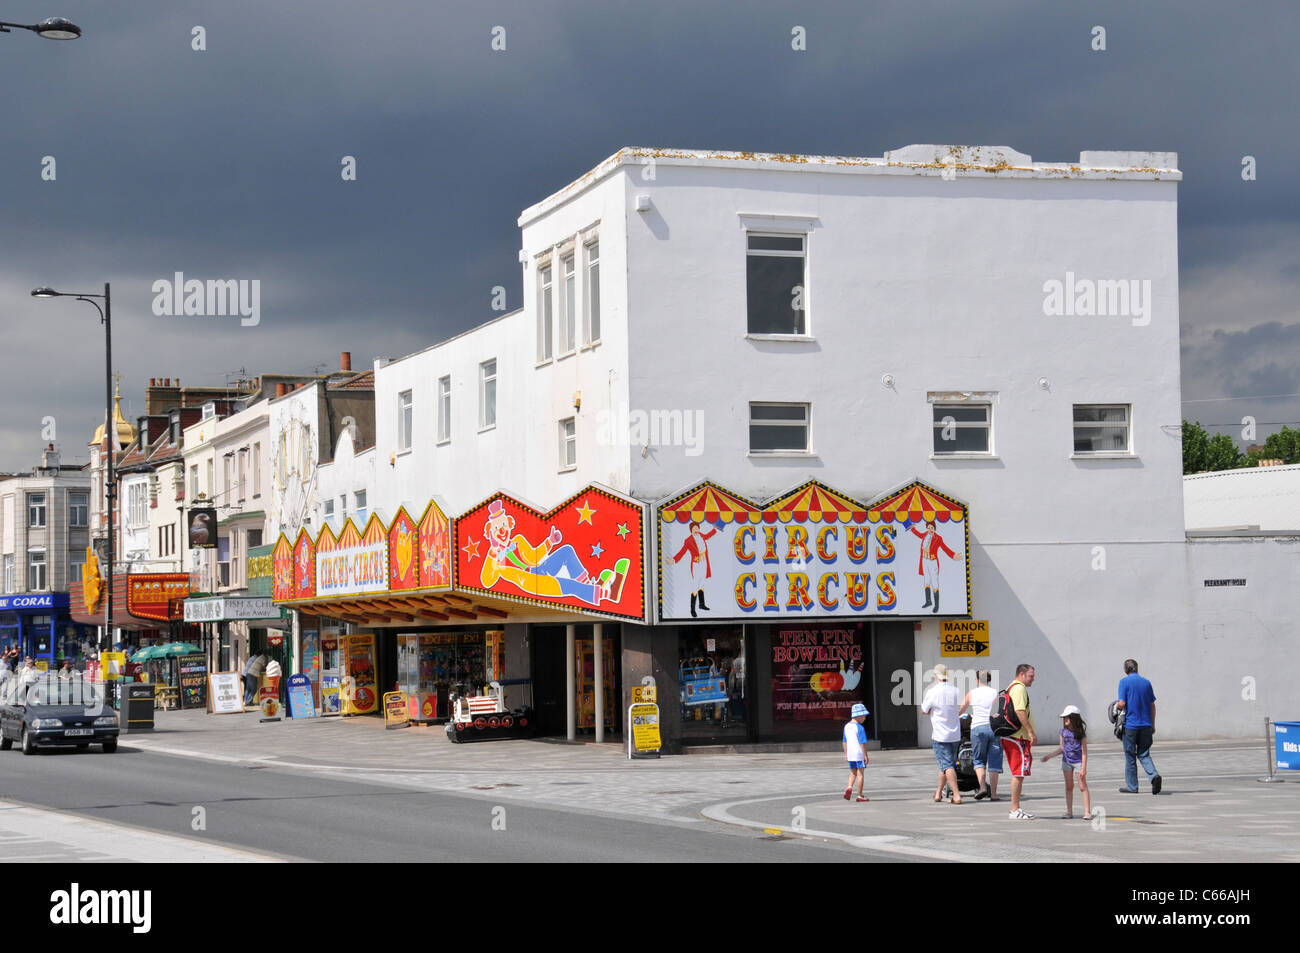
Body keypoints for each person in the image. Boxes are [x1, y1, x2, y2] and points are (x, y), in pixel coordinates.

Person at [1116, 659, 1161, 795]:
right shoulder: (1146, 683)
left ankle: (1132, 786)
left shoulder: (1124, 682)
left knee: (1130, 756)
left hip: (1131, 726)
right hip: (1146, 725)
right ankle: (1154, 776)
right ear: (1137, 668)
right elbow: (1152, 705)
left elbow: (1122, 703)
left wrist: (1116, 707)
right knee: (1144, 753)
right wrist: (1152, 724)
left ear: (1126, 669)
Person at [921, 663, 963, 804]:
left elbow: (924, 710)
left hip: (940, 735)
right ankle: (938, 793)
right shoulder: (956, 690)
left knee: (947, 766)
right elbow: (958, 708)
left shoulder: (932, 692)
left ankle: (956, 795)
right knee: (945, 764)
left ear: (935, 676)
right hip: (955, 734)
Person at [1041, 705, 1092, 819]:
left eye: (1067, 717)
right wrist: (1049, 756)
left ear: (1074, 718)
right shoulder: (1063, 732)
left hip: (1078, 762)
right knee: (1069, 786)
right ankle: (1069, 812)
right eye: (1064, 717)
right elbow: (1061, 748)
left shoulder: (1081, 734)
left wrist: (1083, 768)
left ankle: (1087, 812)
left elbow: (1084, 752)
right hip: (1066, 762)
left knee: (1082, 786)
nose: (1065, 719)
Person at [1001, 663, 1037, 819]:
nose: (1033, 679)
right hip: (1018, 736)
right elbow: (1020, 711)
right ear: (1022, 674)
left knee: (1019, 772)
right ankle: (1015, 810)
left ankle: (1016, 809)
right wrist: (1030, 731)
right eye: (1031, 676)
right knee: (1018, 773)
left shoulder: (1011, 687)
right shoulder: (1019, 688)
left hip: (1012, 736)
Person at [960, 669, 1003, 801]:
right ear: (989, 680)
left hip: (977, 728)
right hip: (993, 728)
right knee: (994, 762)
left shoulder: (972, 693)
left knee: (979, 760)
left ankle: (983, 787)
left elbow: (961, 710)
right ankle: (994, 794)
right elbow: (1000, 711)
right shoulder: (995, 692)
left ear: (977, 680)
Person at [842, 702, 871, 802]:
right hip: (859, 754)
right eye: (863, 716)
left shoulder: (847, 726)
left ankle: (849, 787)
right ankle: (859, 796)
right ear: (858, 715)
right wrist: (865, 755)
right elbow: (862, 743)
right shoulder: (860, 727)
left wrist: (846, 754)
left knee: (853, 772)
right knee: (860, 774)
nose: (864, 718)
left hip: (850, 754)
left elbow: (844, 741)